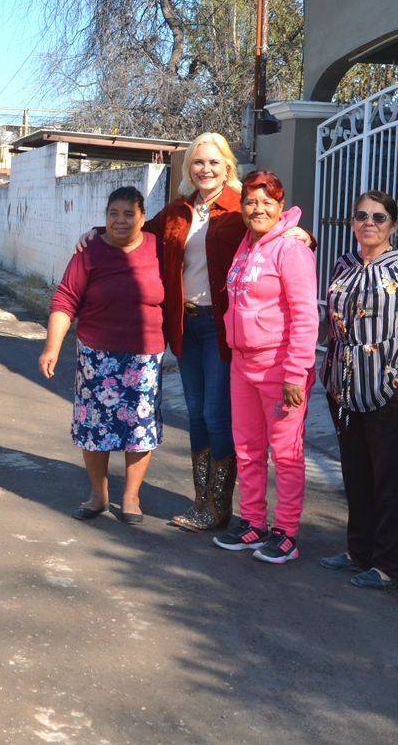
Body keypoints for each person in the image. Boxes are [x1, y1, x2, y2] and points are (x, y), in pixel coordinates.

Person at [74, 133, 310, 533]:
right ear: (189, 168)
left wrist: (302, 233)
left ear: (228, 167)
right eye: (198, 162)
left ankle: (220, 506)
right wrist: (99, 231)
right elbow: (140, 232)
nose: (206, 169)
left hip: (223, 329)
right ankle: (204, 502)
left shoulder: (242, 206)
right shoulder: (179, 211)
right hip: (186, 325)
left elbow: (272, 231)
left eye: (214, 163)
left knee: (217, 417)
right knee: (198, 415)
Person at [319, 190, 398, 590]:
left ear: (393, 225)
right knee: (356, 475)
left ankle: (388, 565)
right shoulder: (344, 263)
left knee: (390, 481)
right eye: (361, 216)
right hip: (345, 389)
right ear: (352, 222)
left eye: (379, 217)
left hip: (388, 391)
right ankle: (359, 551)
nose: (369, 222)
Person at [40, 186, 165, 525]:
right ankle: (98, 494)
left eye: (129, 214)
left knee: (139, 429)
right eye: (113, 214)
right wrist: (52, 347)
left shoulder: (159, 247)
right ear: (104, 216)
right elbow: (65, 300)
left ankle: (131, 497)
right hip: (98, 356)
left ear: (143, 217)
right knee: (95, 427)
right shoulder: (89, 252)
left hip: (145, 357)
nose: (120, 220)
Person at [212, 170, 318, 565]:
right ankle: (253, 521)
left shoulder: (291, 250)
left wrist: (296, 371)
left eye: (266, 202)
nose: (257, 209)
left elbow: (306, 315)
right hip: (243, 364)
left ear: (280, 205)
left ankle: (286, 532)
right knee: (248, 449)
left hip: (279, 367)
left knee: (286, 453)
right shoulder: (245, 244)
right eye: (251, 202)